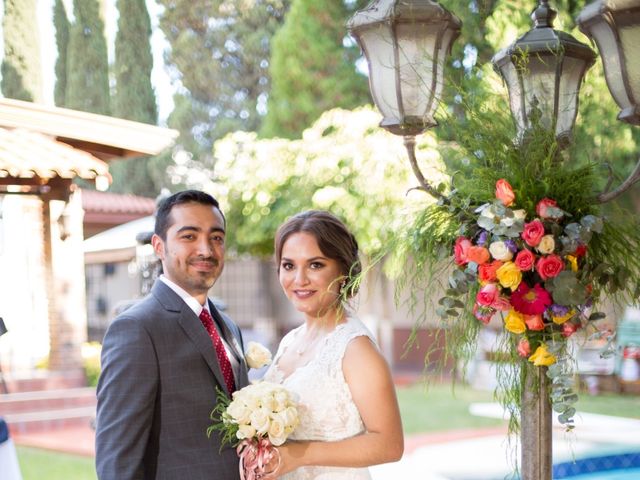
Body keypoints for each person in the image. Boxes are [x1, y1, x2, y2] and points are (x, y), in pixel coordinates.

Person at [95, 190, 249, 480]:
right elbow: (117, 461)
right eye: (189, 236)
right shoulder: (136, 329)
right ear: (159, 246)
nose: (206, 249)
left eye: (216, 237)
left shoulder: (228, 327)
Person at [263, 211, 404, 479]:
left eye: (315, 265)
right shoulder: (290, 341)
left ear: (343, 270)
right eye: (289, 265)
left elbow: (390, 445)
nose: (299, 279)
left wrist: (299, 454)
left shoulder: (355, 349)